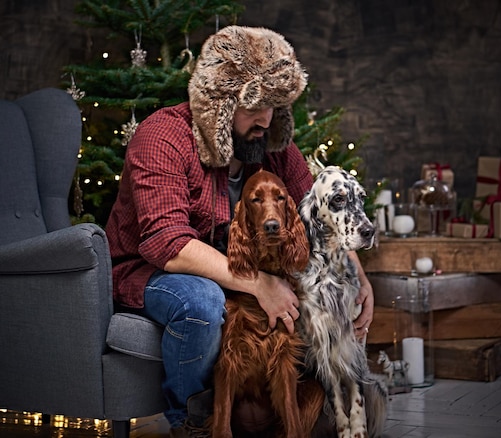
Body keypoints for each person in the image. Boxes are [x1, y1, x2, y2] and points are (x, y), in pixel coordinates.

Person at [105, 25, 375, 437]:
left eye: (273, 106)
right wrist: (260, 284)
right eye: (254, 106)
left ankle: (297, 409)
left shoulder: (269, 142)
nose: (265, 119)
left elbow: (314, 211)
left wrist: (358, 278)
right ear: (220, 103)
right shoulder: (163, 136)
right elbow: (170, 245)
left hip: (232, 268)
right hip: (149, 271)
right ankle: (192, 424)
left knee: (311, 285)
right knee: (201, 299)